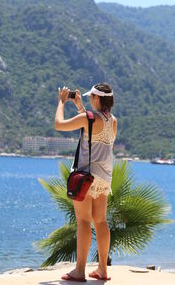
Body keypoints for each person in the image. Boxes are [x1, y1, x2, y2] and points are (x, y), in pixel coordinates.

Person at [55, 82, 117, 282]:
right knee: (101, 221)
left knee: (83, 221)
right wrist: (80, 106)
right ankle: (102, 270)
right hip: (104, 178)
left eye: (91, 97)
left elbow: (59, 124)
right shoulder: (113, 121)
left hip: (86, 177)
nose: (90, 99)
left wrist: (62, 102)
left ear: (97, 99)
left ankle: (79, 271)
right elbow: (92, 126)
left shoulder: (88, 118)